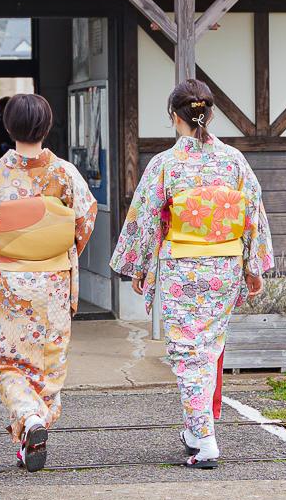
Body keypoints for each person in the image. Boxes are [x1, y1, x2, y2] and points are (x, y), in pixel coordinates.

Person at [111, 78, 274, 469]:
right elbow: (253, 212)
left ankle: (204, 439)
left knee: (187, 353)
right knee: (208, 348)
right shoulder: (233, 160)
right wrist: (253, 266)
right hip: (224, 265)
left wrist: (141, 268)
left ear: (174, 117)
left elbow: (146, 217)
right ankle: (194, 429)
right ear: (210, 114)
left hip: (182, 267)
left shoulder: (165, 164)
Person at [0, 94, 97, 471]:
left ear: (8, 128)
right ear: (48, 126)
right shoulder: (64, 173)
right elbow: (84, 220)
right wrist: (60, 247)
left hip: (12, 278)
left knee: (6, 361)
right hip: (54, 277)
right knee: (49, 363)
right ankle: (34, 423)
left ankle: (28, 417)